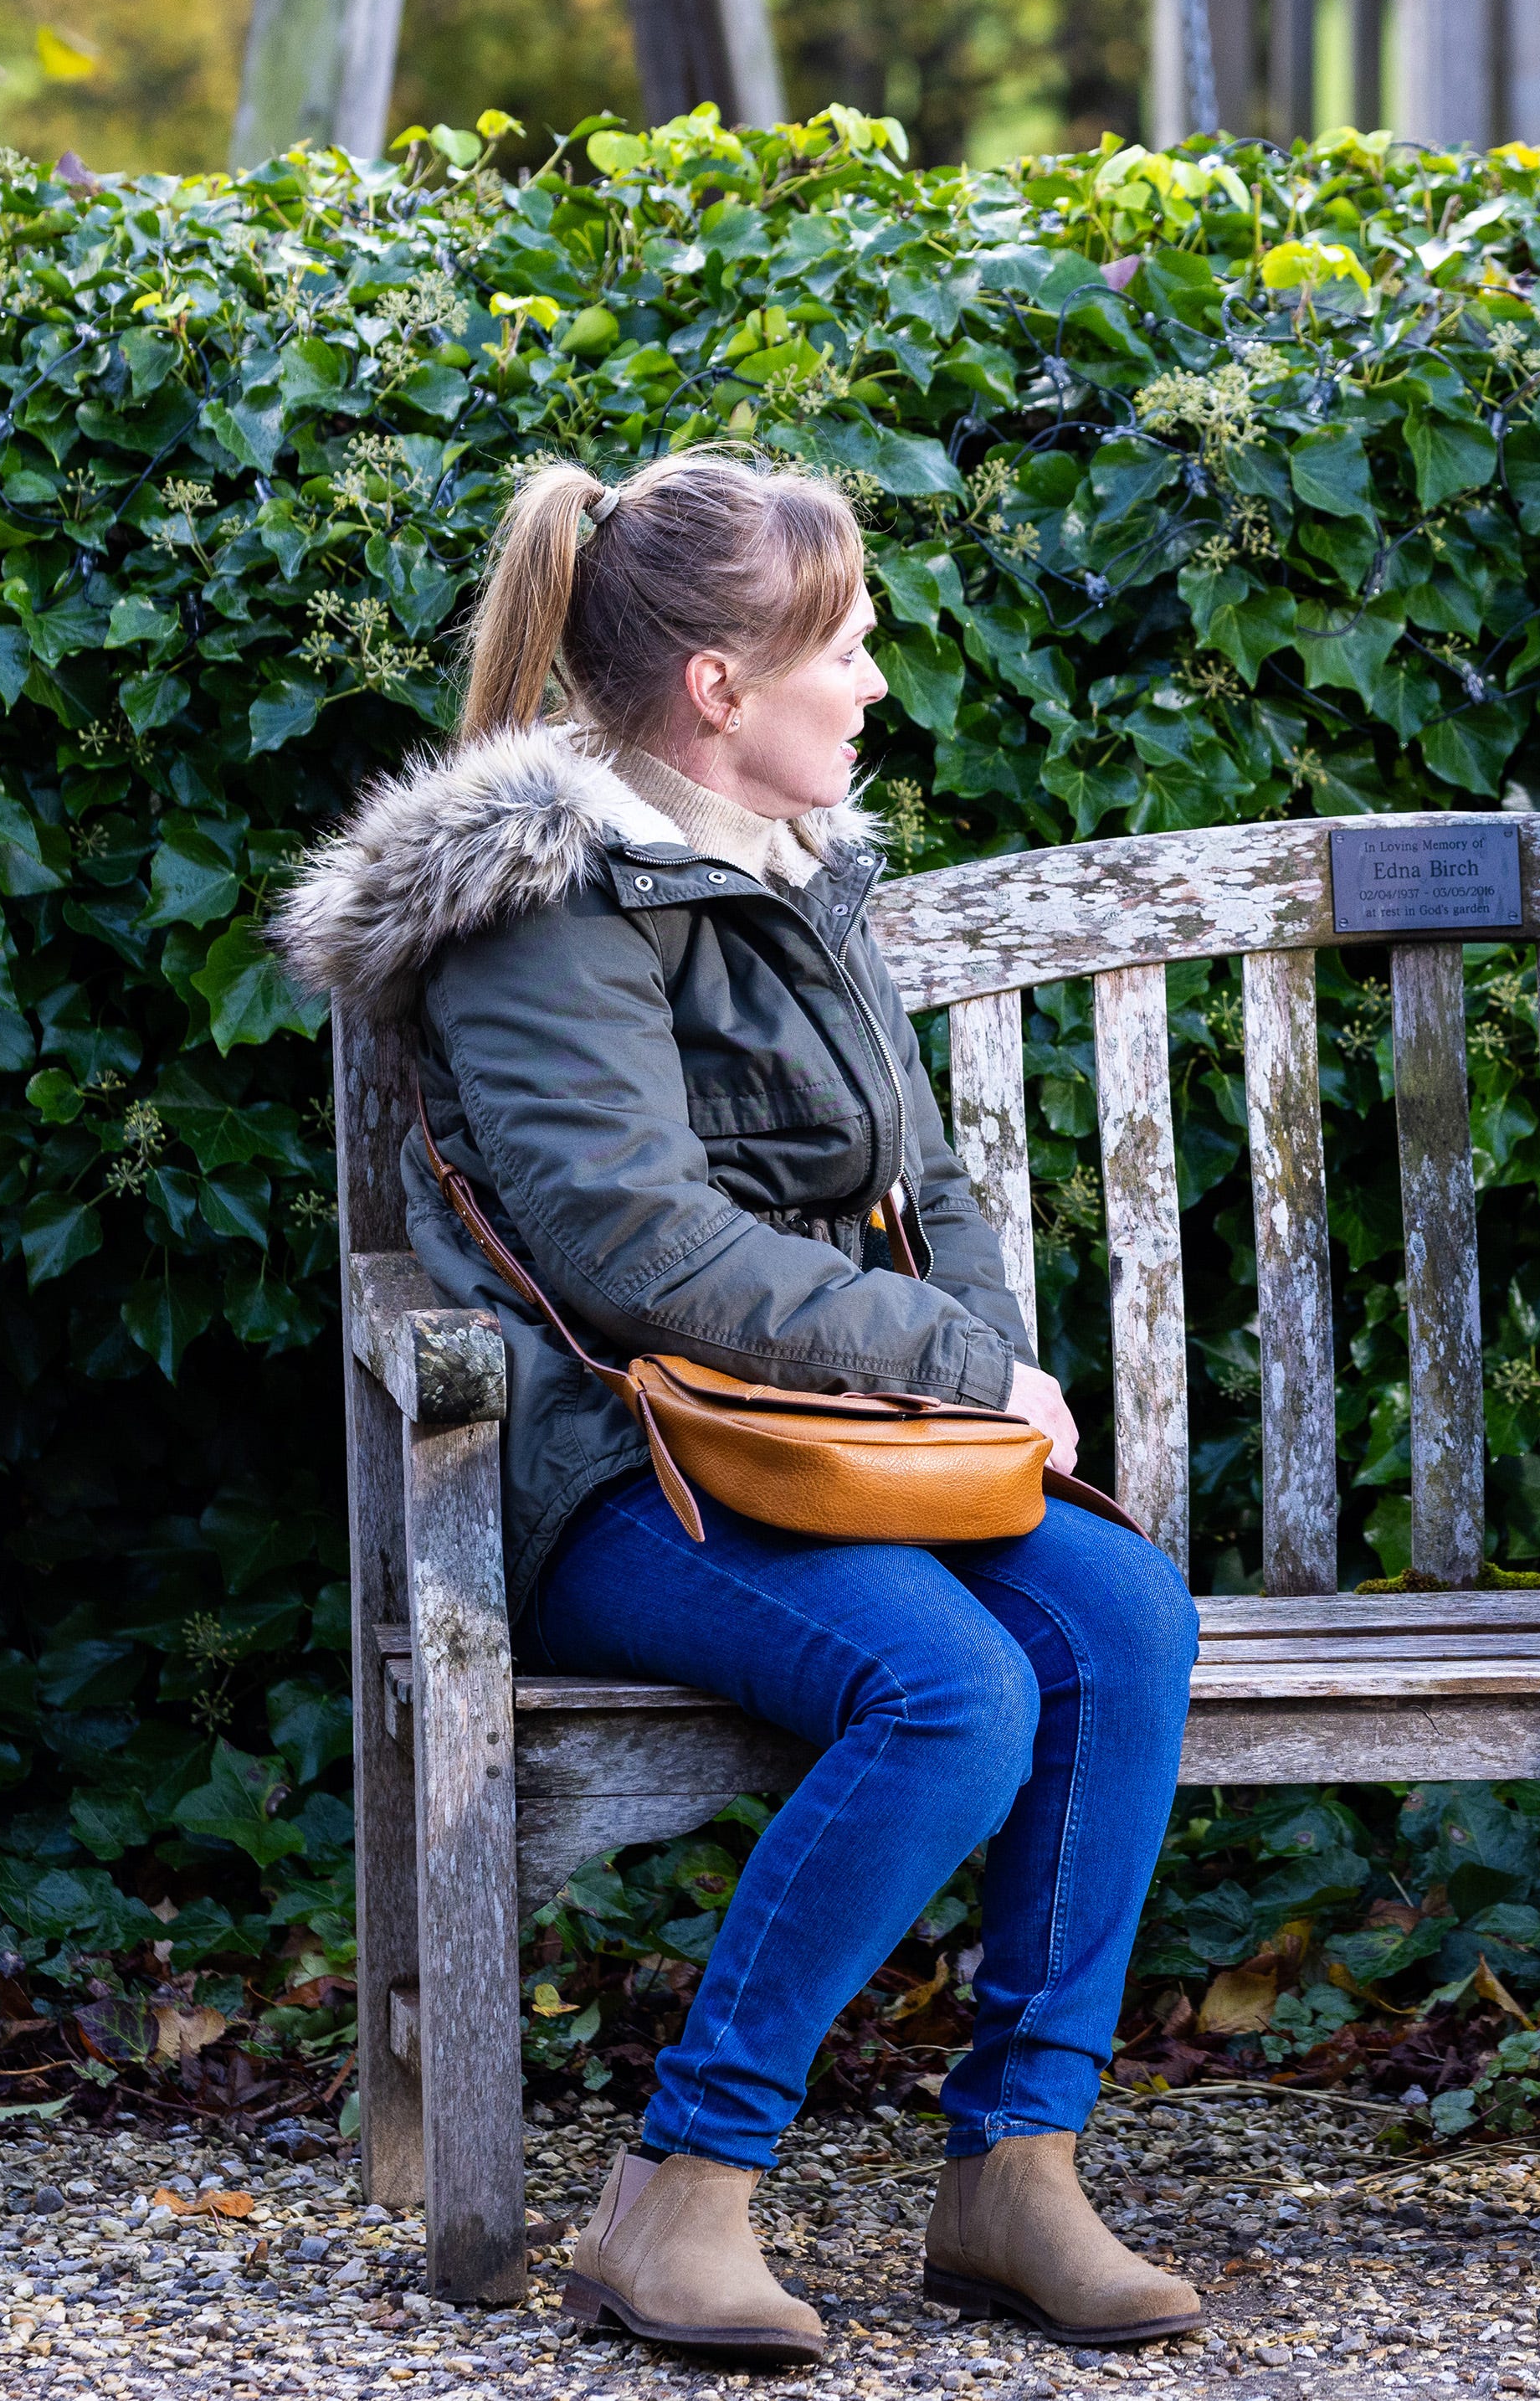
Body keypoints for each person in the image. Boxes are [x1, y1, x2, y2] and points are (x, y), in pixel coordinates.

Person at [275, 450, 1204, 2362]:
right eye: (844, 647)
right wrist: (955, 1365)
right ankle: (680, 2189)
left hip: (834, 1443)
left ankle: (1016, 2171)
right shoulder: (546, 905)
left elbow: (925, 1186)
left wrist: (979, 1390)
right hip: (618, 1462)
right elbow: (634, 1243)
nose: (874, 681)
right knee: (951, 1689)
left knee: (1124, 1611)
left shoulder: (801, 872)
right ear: (718, 685)